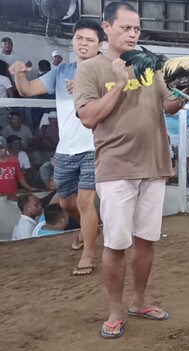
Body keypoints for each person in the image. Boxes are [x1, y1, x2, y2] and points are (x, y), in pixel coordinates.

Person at [74, 1, 189, 339]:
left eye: (137, 29)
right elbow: (88, 117)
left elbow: (168, 104)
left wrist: (188, 88)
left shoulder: (150, 65)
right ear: (107, 27)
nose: (132, 33)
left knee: (146, 240)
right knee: (115, 243)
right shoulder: (91, 69)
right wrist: (123, 82)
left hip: (154, 164)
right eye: (125, 27)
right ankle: (115, 310)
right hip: (116, 167)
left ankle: (139, 301)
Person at [10, 19, 104, 275]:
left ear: (100, 45)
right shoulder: (62, 71)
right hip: (65, 150)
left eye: (90, 40)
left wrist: (88, 90)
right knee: (65, 204)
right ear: (73, 40)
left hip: (93, 148)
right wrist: (19, 75)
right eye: (80, 38)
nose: (84, 44)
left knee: (86, 202)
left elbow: (118, 100)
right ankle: (88, 229)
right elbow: (28, 90)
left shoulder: (107, 71)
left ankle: (88, 254)